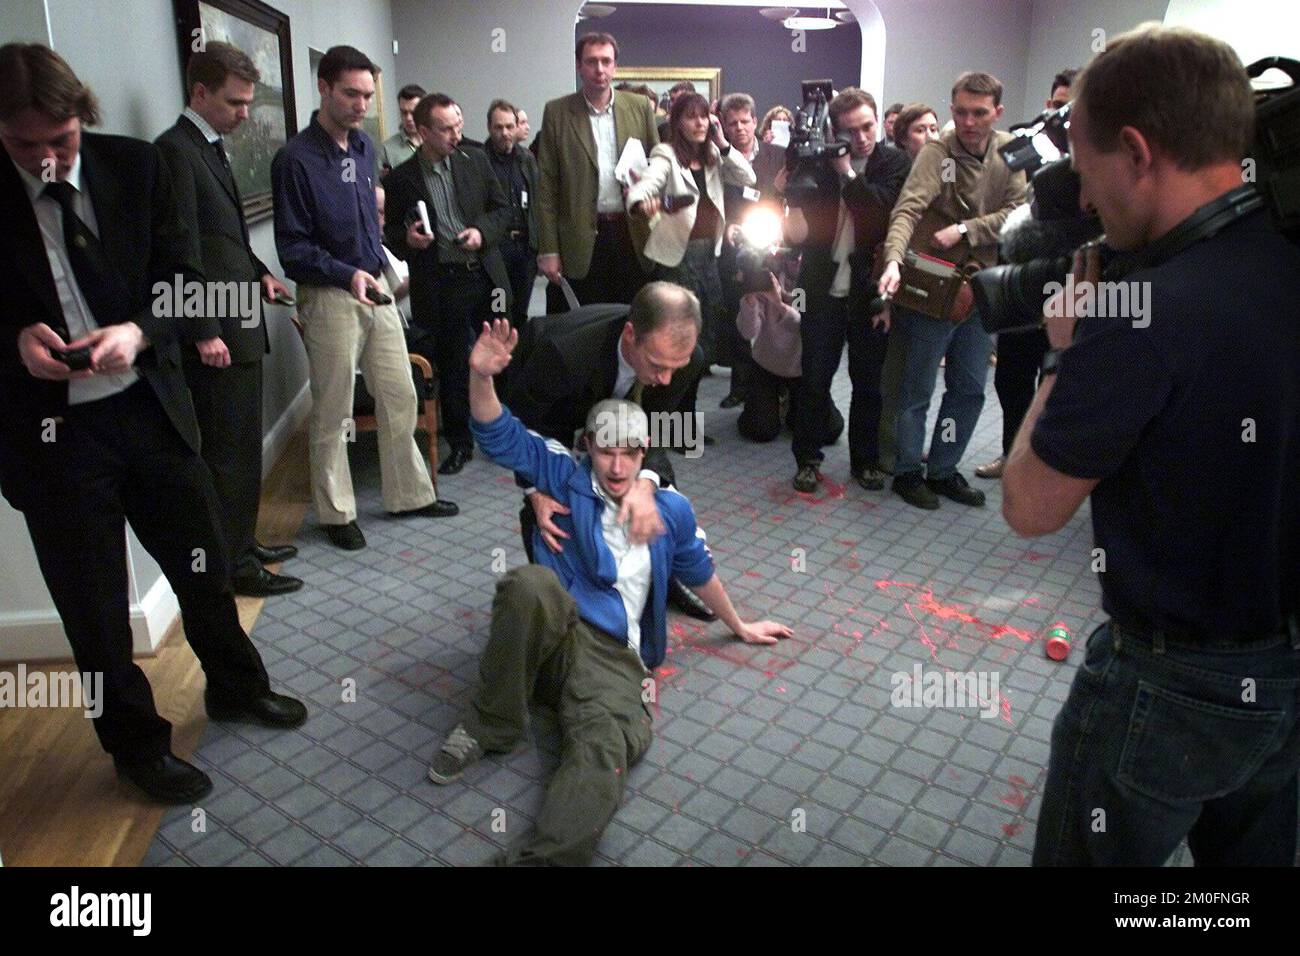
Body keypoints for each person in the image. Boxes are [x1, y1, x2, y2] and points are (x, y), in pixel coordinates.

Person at [1001, 23, 1300, 867]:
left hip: (1170, 683)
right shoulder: (1281, 256)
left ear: (1136, 152)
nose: (1087, 205)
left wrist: (1063, 351)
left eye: (1089, 176)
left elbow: (1030, 506)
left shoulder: (1144, 315)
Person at [0, 43, 307, 804]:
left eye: (60, 141)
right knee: (95, 613)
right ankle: (136, 748)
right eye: (22, 146)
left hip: (147, 410)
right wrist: (13, 341)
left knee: (202, 564)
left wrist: (136, 332)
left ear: (84, 117)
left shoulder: (138, 167)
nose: (44, 159)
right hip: (51, 438)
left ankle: (237, 687)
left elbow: (189, 285)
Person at [426, 317, 792, 865]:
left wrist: (737, 625)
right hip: (553, 632)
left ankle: (545, 860)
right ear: (587, 448)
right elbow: (499, 432)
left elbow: (699, 569)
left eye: (629, 454)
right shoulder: (561, 474)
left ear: (645, 452)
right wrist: (481, 376)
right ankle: (492, 722)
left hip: (609, 656)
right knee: (528, 583)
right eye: (604, 453)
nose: (617, 468)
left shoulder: (669, 509)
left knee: (605, 747)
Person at [272, 46, 457, 551]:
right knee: (333, 411)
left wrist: (387, 255)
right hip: (329, 295)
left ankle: (410, 495)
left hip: (376, 289)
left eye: (367, 95)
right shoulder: (295, 160)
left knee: (400, 394)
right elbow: (292, 249)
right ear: (324, 88)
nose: (360, 104)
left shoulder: (364, 149)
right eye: (351, 93)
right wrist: (345, 272)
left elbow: (367, 224)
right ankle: (336, 512)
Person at [155, 41, 302, 598]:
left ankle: (245, 541)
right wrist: (203, 330)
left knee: (241, 449)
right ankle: (234, 566)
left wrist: (260, 270)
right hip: (216, 331)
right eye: (236, 102)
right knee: (226, 454)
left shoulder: (209, 145)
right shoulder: (174, 150)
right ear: (199, 92)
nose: (246, 113)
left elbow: (224, 236)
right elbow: (178, 248)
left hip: (240, 317)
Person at [504, 282, 715, 621]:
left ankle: (664, 577)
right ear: (631, 335)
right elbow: (524, 427)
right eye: (658, 365)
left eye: (677, 367)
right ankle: (556, 596)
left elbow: (658, 430)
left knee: (654, 495)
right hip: (553, 407)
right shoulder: (563, 355)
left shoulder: (685, 362)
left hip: (622, 406)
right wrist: (535, 491)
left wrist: (646, 484)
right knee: (556, 496)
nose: (665, 379)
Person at [878, 71, 1027, 510]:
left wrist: (966, 228)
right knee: (917, 389)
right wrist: (892, 260)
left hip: (983, 288)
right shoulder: (937, 154)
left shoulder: (1009, 154)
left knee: (968, 389)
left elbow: (1020, 211)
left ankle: (943, 470)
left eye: (979, 113)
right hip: (936, 286)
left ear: (997, 113)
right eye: (960, 111)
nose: (969, 121)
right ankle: (908, 472)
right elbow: (908, 209)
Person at [779, 88, 911, 494]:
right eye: (850, 130)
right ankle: (807, 459)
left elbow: (877, 212)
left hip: (868, 288)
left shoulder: (893, 162)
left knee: (867, 382)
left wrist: (847, 173)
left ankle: (865, 462)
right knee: (814, 379)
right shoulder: (817, 159)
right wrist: (793, 174)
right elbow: (799, 226)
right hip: (821, 285)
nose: (861, 138)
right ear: (834, 130)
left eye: (868, 126)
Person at [382, 91, 513, 477]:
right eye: (446, 129)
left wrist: (481, 233)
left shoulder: (476, 159)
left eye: (459, 124)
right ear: (423, 131)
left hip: (486, 274)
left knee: (501, 351)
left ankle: (501, 429)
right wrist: (408, 240)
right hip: (442, 280)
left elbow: (502, 209)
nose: (457, 134)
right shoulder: (403, 177)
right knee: (455, 365)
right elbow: (390, 231)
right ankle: (460, 443)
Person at [975, 68, 1076, 481]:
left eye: (1069, 107)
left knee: (1059, 381)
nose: (1058, 114)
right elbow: (1000, 194)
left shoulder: (1102, 158)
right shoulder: (1027, 144)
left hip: (1071, 284)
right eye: (1055, 104)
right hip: (1023, 279)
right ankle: (1010, 453)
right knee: (1011, 378)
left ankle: (1048, 463)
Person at [626, 91, 755, 382]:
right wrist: (639, 200)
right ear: (678, 122)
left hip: (710, 253)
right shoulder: (667, 154)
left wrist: (723, 145)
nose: (699, 123)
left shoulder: (714, 155)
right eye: (690, 117)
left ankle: (690, 389)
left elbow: (749, 178)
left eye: (703, 116)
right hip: (678, 256)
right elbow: (649, 181)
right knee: (678, 324)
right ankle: (674, 395)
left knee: (708, 323)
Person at [536, 32, 659, 313]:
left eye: (606, 61)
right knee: (584, 324)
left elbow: (658, 165)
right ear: (579, 66)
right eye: (591, 62)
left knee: (631, 320)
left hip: (631, 231)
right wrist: (549, 249)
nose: (599, 69)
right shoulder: (557, 112)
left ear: (615, 66)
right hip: (579, 236)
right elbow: (546, 188)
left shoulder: (639, 107)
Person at [876, 102, 940, 471]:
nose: (929, 136)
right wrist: (883, 300)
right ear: (902, 138)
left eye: (934, 128)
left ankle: (912, 445)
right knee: (895, 375)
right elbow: (885, 236)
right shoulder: (897, 176)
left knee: (922, 378)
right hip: (895, 280)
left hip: (932, 284)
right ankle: (888, 450)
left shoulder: (945, 173)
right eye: (920, 130)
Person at [735, 264, 844, 446]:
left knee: (828, 430)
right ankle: (769, 403)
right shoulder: (767, 276)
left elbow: (803, 325)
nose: (795, 260)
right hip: (767, 364)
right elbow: (748, 332)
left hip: (802, 368)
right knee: (760, 430)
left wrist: (778, 304)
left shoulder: (813, 279)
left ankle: (788, 406)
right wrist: (750, 302)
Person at [484, 98, 539, 329]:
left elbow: (537, 200)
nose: (505, 133)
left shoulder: (526, 159)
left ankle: (519, 361)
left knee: (521, 310)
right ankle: (499, 361)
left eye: (509, 126)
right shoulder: (479, 160)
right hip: (496, 250)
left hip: (524, 249)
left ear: (516, 127)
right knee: (499, 309)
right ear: (489, 128)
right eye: (499, 127)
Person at [379, 83, 425, 174]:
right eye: (404, 112)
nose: (408, 118)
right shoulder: (386, 150)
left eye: (413, 112)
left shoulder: (436, 143)